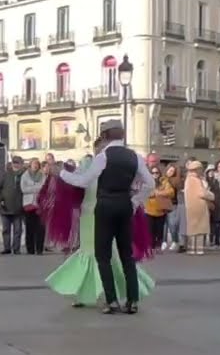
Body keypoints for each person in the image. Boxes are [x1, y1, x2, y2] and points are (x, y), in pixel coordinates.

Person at [48, 123, 156, 314]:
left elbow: (83, 181)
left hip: (105, 206)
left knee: (103, 255)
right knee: (126, 256)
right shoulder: (135, 157)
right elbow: (149, 183)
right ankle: (133, 301)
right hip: (124, 205)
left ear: (104, 136)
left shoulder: (103, 156)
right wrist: (134, 202)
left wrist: (62, 173)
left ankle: (112, 301)